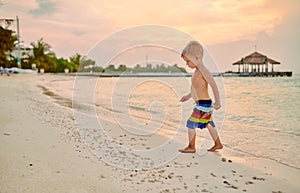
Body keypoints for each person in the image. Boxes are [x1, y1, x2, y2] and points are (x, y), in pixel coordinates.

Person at [179, 41, 223, 153]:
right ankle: (218, 144)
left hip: (204, 104)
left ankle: (191, 147)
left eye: (188, 61)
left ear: (197, 57)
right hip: (202, 103)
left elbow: (214, 85)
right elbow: (196, 88)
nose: (187, 64)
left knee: (191, 124)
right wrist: (188, 96)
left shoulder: (204, 71)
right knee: (208, 124)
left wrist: (218, 101)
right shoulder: (197, 72)